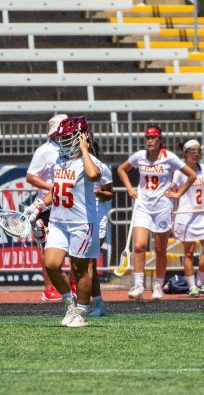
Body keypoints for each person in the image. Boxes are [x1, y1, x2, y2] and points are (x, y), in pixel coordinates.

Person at [24, 116, 109, 327]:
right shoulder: (59, 160)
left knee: (80, 269)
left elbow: (93, 175)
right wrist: (38, 206)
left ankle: (81, 313)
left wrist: (85, 149)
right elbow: (57, 189)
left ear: (82, 137)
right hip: (59, 221)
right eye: (63, 138)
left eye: (69, 137)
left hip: (82, 222)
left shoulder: (90, 161)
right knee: (51, 263)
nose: (64, 141)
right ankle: (70, 303)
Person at [118, 125, 196, 300]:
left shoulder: (169, 158)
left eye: (153, 137)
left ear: (160, 139)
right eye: (147, 137)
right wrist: (130, 188)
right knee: (139, 246)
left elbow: (191, 175)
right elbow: (121, 169)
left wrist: (178, 194)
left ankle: (158, 285)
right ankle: (139, 285)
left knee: (160, 249)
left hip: (162, 207)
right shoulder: (140, 156)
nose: (150, 141)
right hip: (143, 206)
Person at [26, 114, 68, 301]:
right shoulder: (44, 151)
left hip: (67, 205)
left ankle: (71, 284)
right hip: (48, 206)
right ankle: (49, 287)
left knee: (73, 247)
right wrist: (53, 187)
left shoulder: (71, 150)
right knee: (48, 247)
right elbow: (31, 176)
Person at [172, 140, 204, 297]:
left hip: (203, 214)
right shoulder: (179, 172)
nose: (196, 154)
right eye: (193, 151)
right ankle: (191, 286)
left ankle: (200, 282)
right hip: (186, 215)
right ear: (185, 152)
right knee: (189, 252)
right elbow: (171, 188)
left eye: (198, 151)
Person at [88, 131, 114, 318]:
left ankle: (91, 304)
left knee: (88, 262)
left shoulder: (101, 167)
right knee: (79, 264)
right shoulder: (68, 166)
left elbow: (109, 193)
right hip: (76, 218)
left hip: (96, 217)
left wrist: (99, 193)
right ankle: (91, 302)